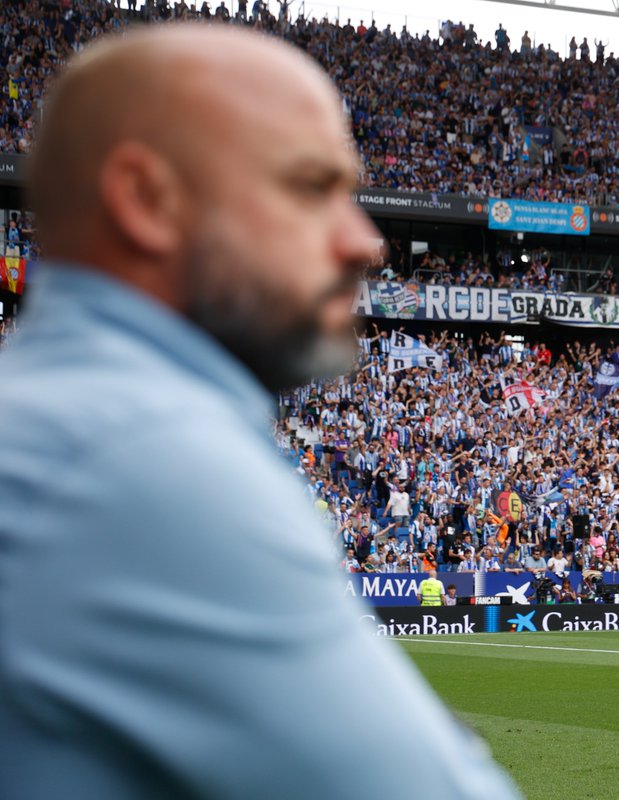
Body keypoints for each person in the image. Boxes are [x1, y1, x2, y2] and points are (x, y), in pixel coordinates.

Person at [0, 25, 518, 799]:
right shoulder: (143, 461)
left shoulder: (52, 411)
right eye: (312, 188)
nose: (365, 242)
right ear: (147, 199)